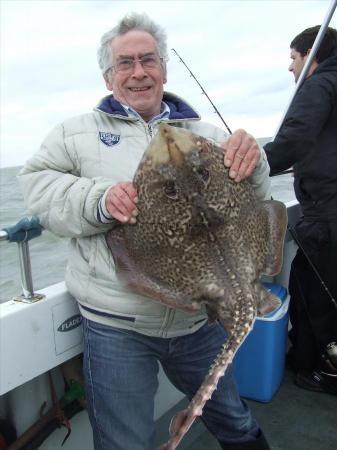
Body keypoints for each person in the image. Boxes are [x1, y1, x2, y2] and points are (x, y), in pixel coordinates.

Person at [18, 13, 272, 450]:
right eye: (125, 63)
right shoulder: (75, 133)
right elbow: (38, 188)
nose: (138, 71)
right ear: (108, 75)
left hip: (201, 320)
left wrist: (256, 160)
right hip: (117, 324)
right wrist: (97, 200)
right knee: (123, 441)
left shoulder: (207, 133)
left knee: (233, 418)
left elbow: (255, 199)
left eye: (148, 60)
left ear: (164, 68)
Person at [264, 25, 337, 395]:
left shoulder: (321, 83)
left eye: (294, 58)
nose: (290, 68)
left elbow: (296, 137)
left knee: (316, 296)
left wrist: (252, 163)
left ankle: (329, 371)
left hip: (328, 214)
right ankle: (306, 356)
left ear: (312, 56)